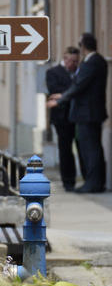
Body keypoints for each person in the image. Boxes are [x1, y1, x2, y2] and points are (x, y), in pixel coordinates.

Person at [48, 33, 107, 193]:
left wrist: (60, 100)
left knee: (90, 150)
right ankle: (95, 182)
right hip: (89, 113)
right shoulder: (98, 61)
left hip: (87, 113)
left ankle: (93, 183)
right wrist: (62, 96)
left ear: (83, 47)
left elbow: (79, 85)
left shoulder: (91, 63)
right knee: (92, 148)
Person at [46, 47, 81, 190]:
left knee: (81, 148)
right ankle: (68, 181)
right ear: (65, 59)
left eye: (76, 61)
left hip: (78, 117)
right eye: (71, 61)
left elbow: (78, 89)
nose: (73, 64)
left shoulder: (79, 72)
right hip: (61, 118)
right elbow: (54, 90)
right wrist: (71, 92)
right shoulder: (53, 72)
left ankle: (84, 178)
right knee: (65, 150)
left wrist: (64, 94)